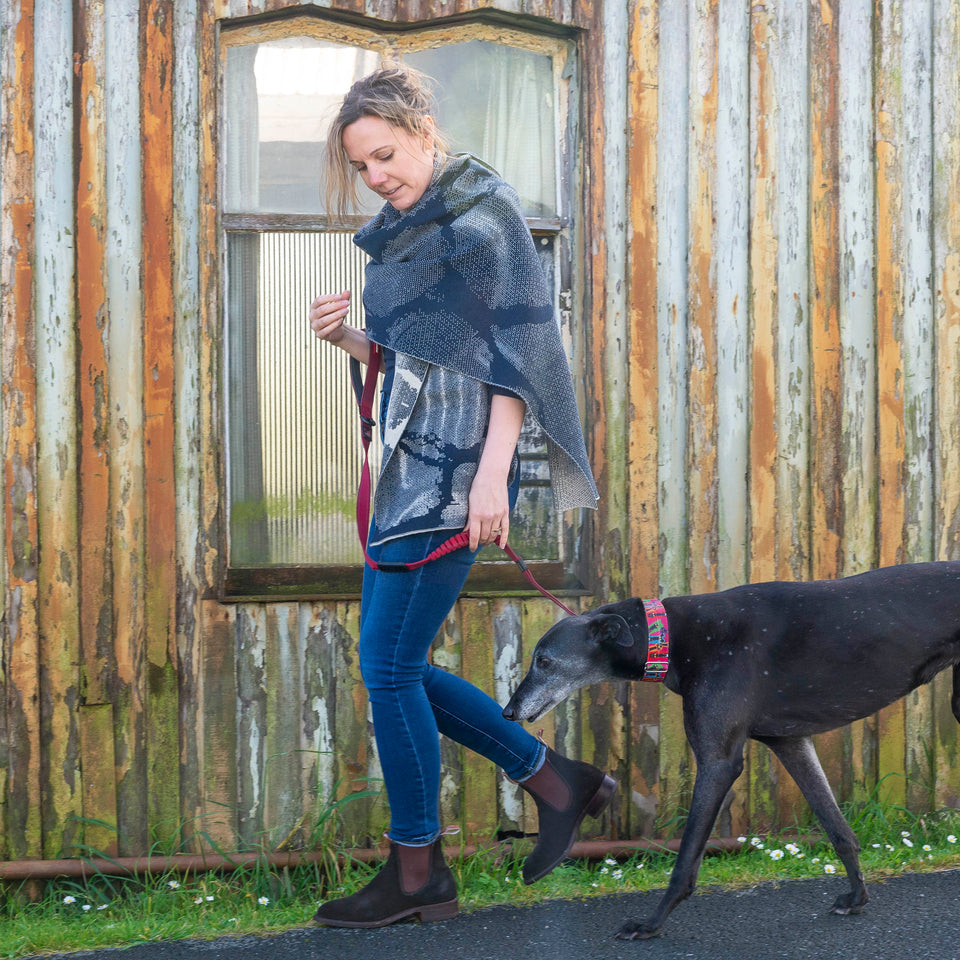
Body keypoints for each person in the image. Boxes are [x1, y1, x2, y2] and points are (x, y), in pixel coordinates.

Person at [308, 62, 611, 929]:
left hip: (456, 478)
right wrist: (353, 342)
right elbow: (423, 366)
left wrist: (492, 473)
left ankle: (418, 873)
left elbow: (518, 353)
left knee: (388, 669)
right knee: (392, 667)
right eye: (362, 166)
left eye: (386, 155)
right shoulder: (403, 231)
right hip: (403, 474)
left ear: (422, 130)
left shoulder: (485, 218)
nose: (376, 177)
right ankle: (555, 782)